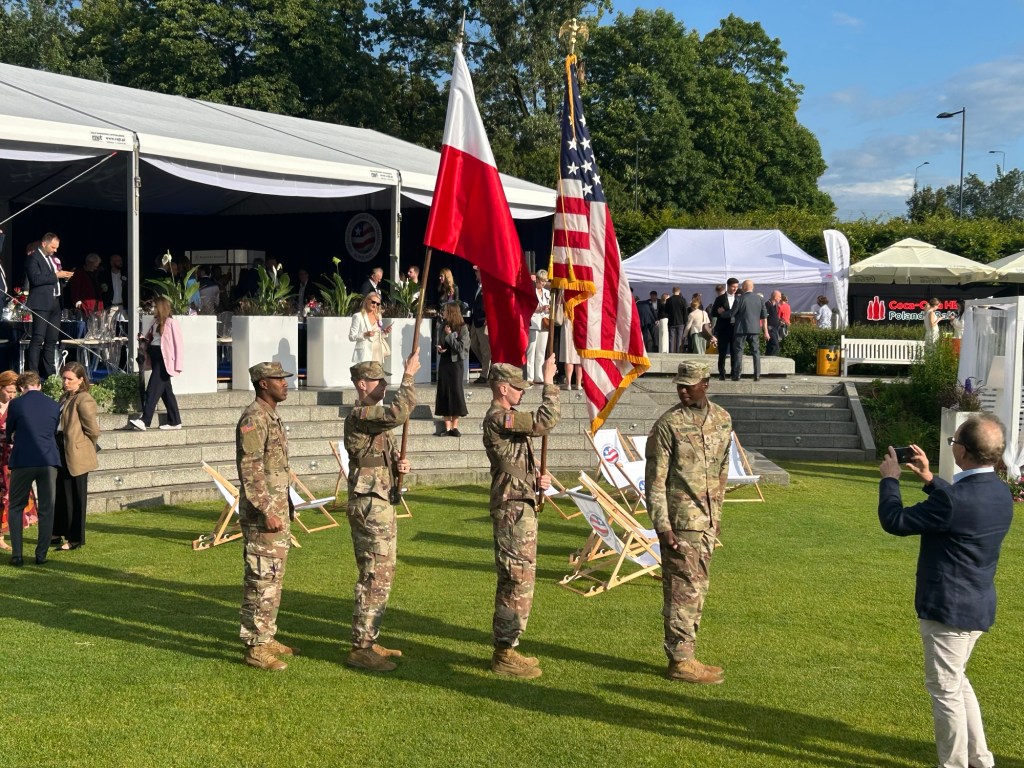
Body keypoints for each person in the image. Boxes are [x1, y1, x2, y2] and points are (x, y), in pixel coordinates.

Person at [877, 415, 1012, 768]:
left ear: (963, 451)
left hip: (949, 610)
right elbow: (960, 506)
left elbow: (895, 521)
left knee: (946, 690)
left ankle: (953, 764)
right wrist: (929, 479)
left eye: (953, 441)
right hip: (976, 605)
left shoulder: (955, 500)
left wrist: (890, 481)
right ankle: (980, 759)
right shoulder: (1000, 490)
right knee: (956, 683)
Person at [644, 360, 732, 684]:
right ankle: (680, 660)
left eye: (689, 384)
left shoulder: (723, 420)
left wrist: (717, 515)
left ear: (705, 384)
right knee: (682, 590)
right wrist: (662, 526)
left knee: (699, 589)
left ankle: (688, 654)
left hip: (706, 522)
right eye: (679, 385)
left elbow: (722, 470)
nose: (682, 390)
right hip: (680, 521)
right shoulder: (668, 425)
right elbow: (654, 480)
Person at [483, 356, 560, 679]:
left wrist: (538, 479)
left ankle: (509, 645)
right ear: (503, 388)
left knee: (520, 577)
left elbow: (519, 460)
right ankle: (504, 651)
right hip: (512, 507)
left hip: (520, 501)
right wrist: (549, 383)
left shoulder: (508, 416)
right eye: (518, 388)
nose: (522, 392)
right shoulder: (499, 418)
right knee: (516, 578)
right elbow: (545, 421)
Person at [343, 353, 420, 672]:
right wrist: (409, 377)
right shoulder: (362, 412)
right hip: (369, 503)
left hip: (380, 498)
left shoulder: (372, 417)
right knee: (374, 572)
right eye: (379, 380)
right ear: (363, 384)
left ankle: (370, 638)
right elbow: (398, 413)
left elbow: (379, 454)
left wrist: (397, 465)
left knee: (383, 571)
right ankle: (361, 647)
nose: (385, 385)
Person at [237, 361, 298, 671]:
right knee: (261, 579)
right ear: (263, 384)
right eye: (279, 379)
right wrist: (266, 510)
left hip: (277, 510)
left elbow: (277, 468)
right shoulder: (253, 419)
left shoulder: (271, 416)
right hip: (264, 517)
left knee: (273, 578)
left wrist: (286, 504)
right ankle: (255, 647)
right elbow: (250, 469)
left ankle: (266, 635)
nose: (285, 383)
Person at [5, 371, 60, 567]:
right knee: (47, 508)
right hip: (48, 460)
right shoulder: (54, 405)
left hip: (23, 460)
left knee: (16, 506)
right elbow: (52, 430)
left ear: (21, 388)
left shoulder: (16, 404)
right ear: (40, 385)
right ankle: (41, 554)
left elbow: (10, 429)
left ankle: (17, 555)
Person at [53, 362, 100, 551]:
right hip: (60, 450)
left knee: (76, 497)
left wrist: (82, 445)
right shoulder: (65, 397)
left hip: (76, 453)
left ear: (81, 380)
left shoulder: (84, 399)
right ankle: (56, 533)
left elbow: (93, 430)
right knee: (61, 495)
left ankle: (75, 539)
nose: (65, 382)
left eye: (69, 379)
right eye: (64, 378)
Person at [129, 296, 183, 431]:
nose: (152, 309)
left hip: (164, 361)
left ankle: (145, 420)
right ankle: (175, 420)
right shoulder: (155, 322)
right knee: (166, 392)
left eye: (154, 306)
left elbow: (178, 345)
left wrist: (178, 364)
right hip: (155, 358)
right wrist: (143, 339)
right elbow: (151, 339)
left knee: (152, 389)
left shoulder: (171, 323)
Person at [25, 232, 74, 378]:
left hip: (56, 302)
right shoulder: (33, 258)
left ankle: (50, 373)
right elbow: (35, 279)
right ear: (44, 243)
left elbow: (54, 279)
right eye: (53, 247)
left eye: (57, 247)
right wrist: (56, 276)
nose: (55, 250)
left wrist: (64, 278)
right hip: (41, 303)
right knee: (38, 338)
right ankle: (33, 373)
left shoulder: (53, 259)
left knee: (52, 340)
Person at [0, 370, 37, 553]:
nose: (12, 395)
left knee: (9, 495)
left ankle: (2, 535)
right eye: (8, 391)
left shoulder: (16, 406)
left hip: (10, 458)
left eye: (14, 391)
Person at [435, 302, 470, 437]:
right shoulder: (442, 326)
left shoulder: (463, 328)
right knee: (444, 391)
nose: (442, 312)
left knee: (456, 392)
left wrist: (450, 336)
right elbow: (441, 342)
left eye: (444, 310)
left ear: (451, 312)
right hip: (445, 362)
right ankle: (447, 426)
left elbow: (461, 348)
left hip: (456, 364)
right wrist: (440, 348)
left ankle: (455, 425)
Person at [728, 279, 768, 381]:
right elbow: (764, 316)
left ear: (743, 287)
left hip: (740, 329)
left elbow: (732, 313)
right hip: (755, 329)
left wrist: (722, 313)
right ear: (753, 287)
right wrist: (766, 331)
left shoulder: (739, 299)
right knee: (756, 352)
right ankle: (757, 375)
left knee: (739, 352)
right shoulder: (760, 299)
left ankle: (737, 375)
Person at [349, 293, 391, 364]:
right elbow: (351, 337)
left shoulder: (378, 316)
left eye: (378, 304)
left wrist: (385, 332)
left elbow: (377, 335)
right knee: (364, 375)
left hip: (377, 352)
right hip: (365, 353)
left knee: (377, 375)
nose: (375, 305)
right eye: (373, 302)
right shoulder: (358, 316)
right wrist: (365, 334)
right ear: (367, 301)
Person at [710, 278, 739, 380]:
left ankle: (733, 373)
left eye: (736, 287)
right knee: (722, 352)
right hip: (723, 328)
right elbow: (713, 313)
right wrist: (718, 311)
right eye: (733, 287)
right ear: (728, 286)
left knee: (734, 352)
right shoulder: (720, 298)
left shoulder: (739, 298)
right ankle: (722, 373)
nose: (735, 289)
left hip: (735, 328)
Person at [525, 269, 551, 384]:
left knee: (541, 351)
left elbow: (550, 305)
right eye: (542, 281)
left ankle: (538, 376)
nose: (544, 283)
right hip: (533, 323)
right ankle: (529, 377)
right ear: (538, 280)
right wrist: (540, 308)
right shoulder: (531, 291)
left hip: (544, 322)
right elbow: (528, 307)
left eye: (545, 281)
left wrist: (548, 308)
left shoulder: (547, 292)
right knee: (531, 350)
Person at [469, 266, 490, 383]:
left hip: (483, 321)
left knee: (485, 348)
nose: (475, 274)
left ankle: (485, 374)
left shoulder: (488, 287)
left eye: (477, 272)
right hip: (475, 320)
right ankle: (488, 368)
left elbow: (491, 304)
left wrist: (488, 318)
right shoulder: (479, 287)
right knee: (474, 345)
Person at [558, 301, 582, 390]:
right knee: (578, 357)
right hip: (580, 321)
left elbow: (560, 303)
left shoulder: (566, 290)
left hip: (569, 320)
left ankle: (568, 383)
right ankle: (578, 384)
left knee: (569, 356)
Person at [665, 287, 689, 353]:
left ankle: (671, 351)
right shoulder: (683, 300)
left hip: (671, 321)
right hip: (681, 322)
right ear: (679, 291)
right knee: (679, 338)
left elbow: (666, 311)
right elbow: (685, 312)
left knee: (671, 338)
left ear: (672, 291)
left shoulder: (669, 300)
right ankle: (678, 352)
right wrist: (686, 321)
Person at [765, 290, 783, 356]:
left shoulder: (775, 305)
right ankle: (771, 359)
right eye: (780, 297)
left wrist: (779, 321)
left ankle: (767, 359)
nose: (780, 299)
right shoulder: (767, 304)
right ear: (775, 297)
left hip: (775, 328)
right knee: (775, 346)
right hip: (770, 328)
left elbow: (773, 316)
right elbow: (765, 317)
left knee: (770, 346)